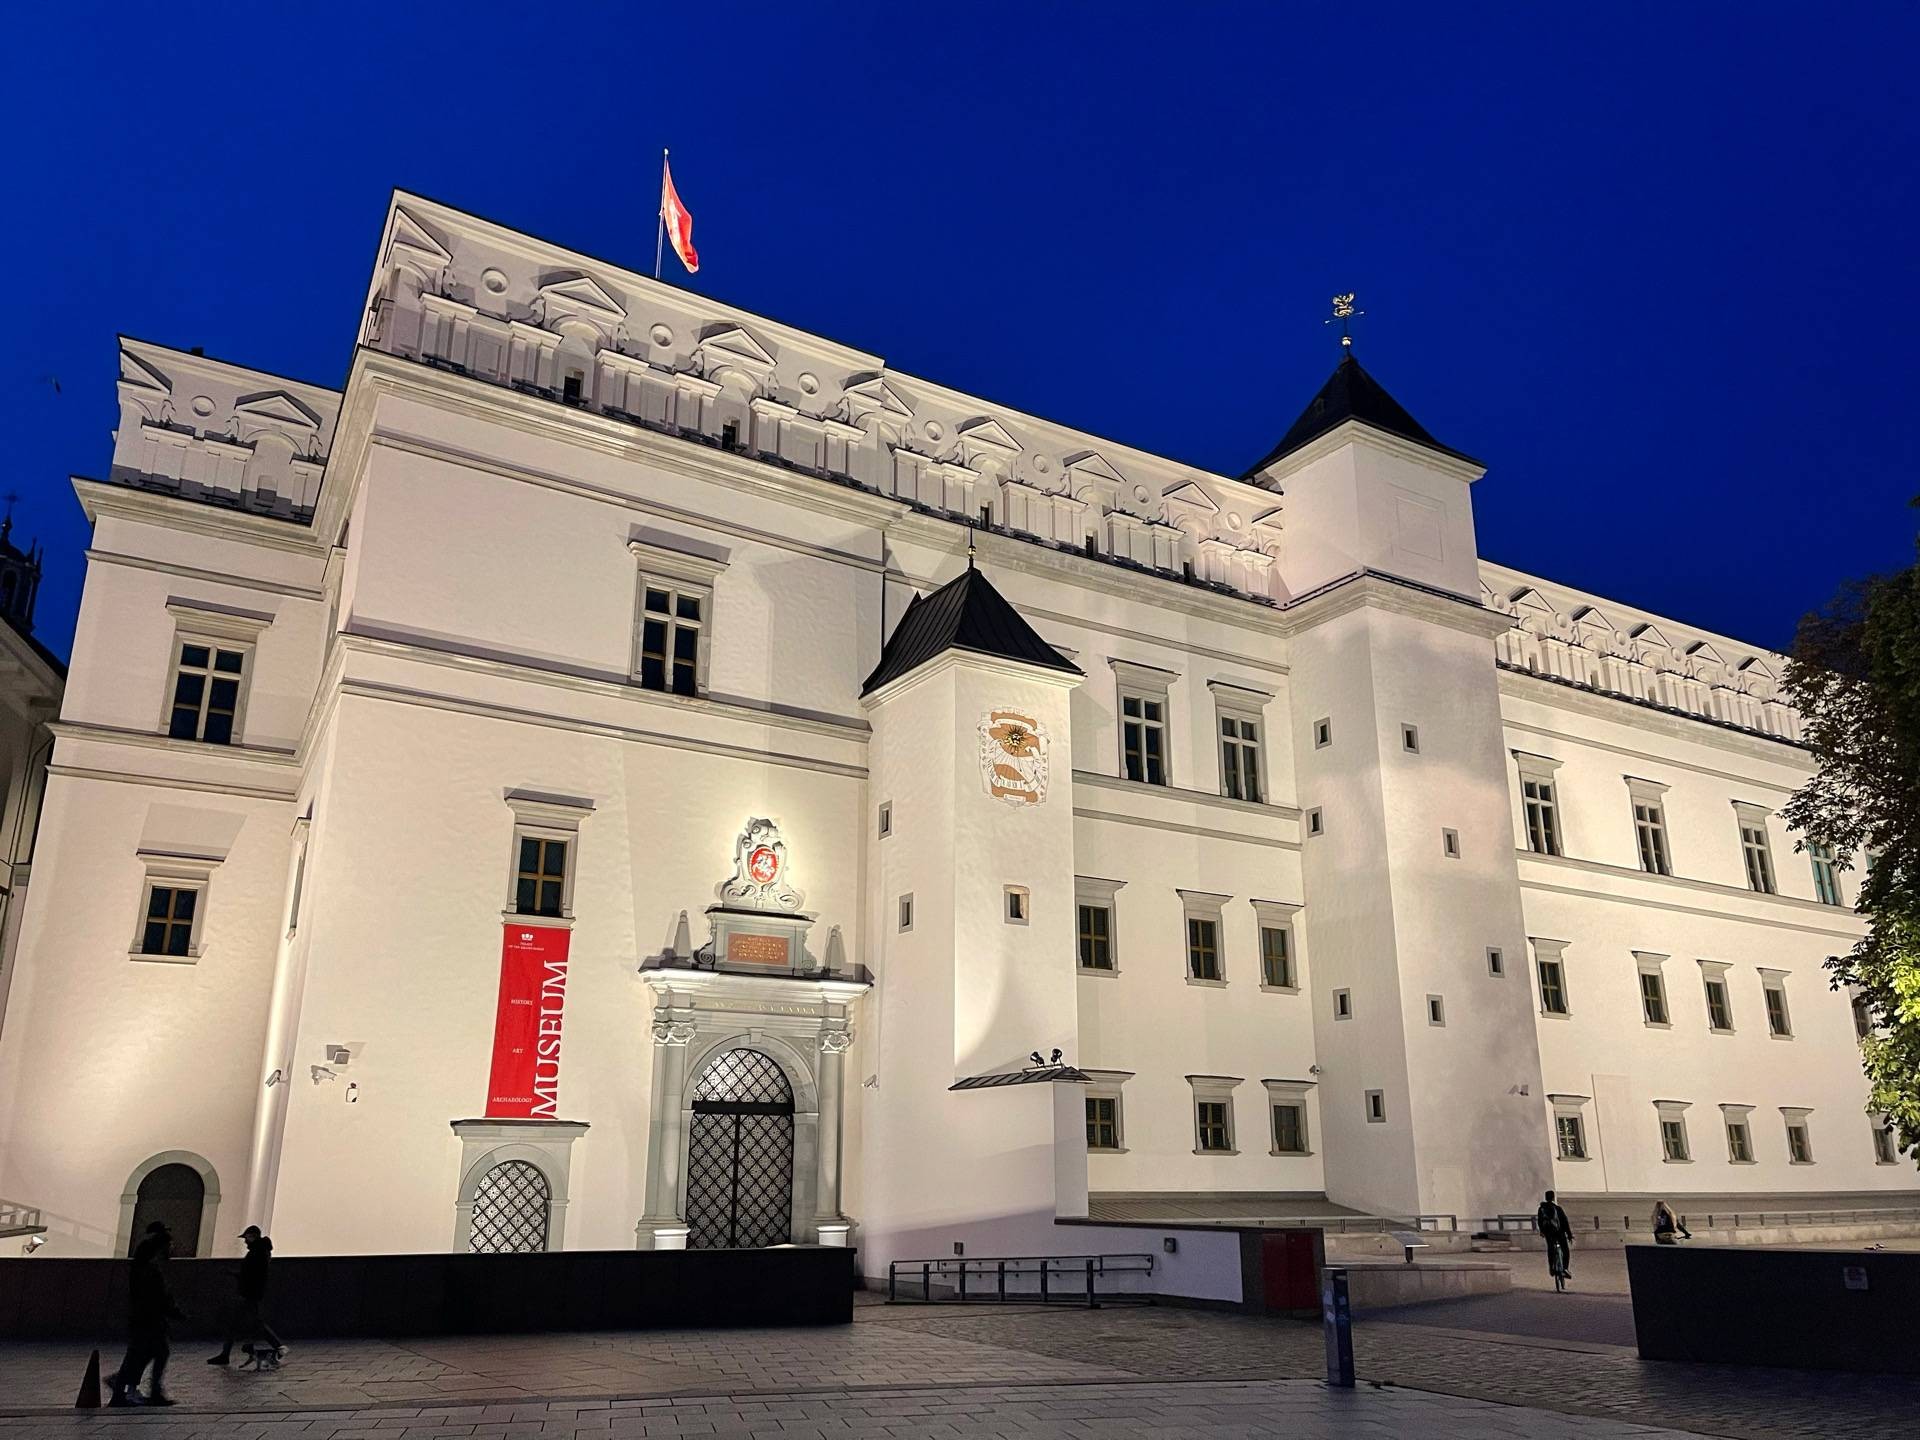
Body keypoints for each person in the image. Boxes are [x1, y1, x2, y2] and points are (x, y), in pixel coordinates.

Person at [106, 1222, 181, 1407]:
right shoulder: (151, 1271)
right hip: (149, 1319)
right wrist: (174, 1312)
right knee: (150, 1353)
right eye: (170, 1245)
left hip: (143, 1318)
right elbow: (159, 1297)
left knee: (147, 1353)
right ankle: (131, 1390)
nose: (173, 1248)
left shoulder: (143, 1267)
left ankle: (124, 1388)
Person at [208, 1225, 286, 1366]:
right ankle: (228, 1353)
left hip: (249, 1292)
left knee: (251, 1323)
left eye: (246, 1238)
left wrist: (232, 1273)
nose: (245, 1241)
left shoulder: (256, 1252)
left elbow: (250, 1274)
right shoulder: (262, 1251)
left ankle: (278, 1346)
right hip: (252, 1292)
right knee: (243, 1322)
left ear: (252, 1236)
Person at [1535, 1189, 1573, 1285]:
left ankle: (1552, 1268)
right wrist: (1569, 1235)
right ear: (1553, 1198)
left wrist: (1542, 1231)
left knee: (1551, 1249)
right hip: (1559, 1233)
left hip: (1549, 1233)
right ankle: (1564, 1268)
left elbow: (1539, 1221)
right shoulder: (1558, 1209)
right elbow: (1564, 1222)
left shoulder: (1541, 1209)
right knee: (1565, 1250)